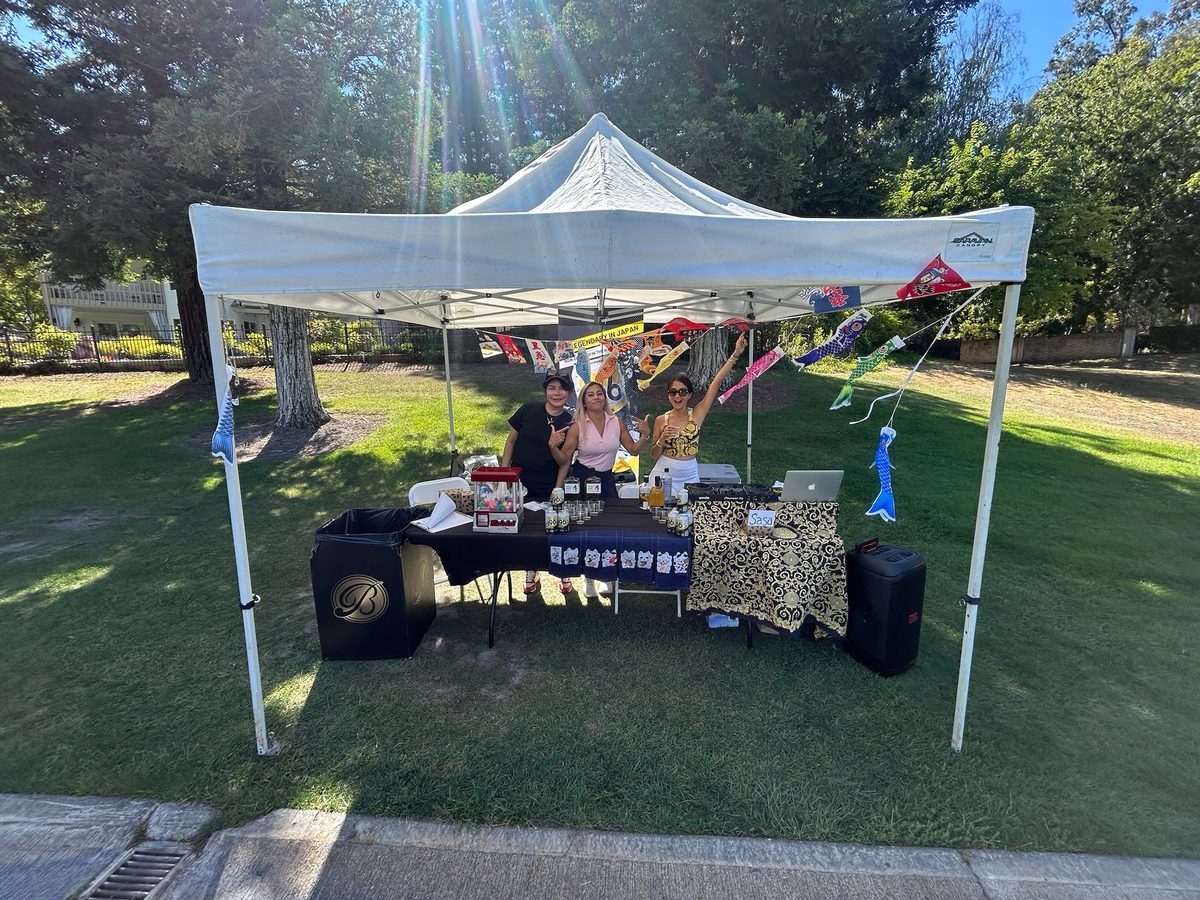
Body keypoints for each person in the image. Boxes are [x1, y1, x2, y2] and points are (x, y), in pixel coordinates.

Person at [501, 372, 576, 595]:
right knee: (526, 530)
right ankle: (530, 570)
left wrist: (558, 487)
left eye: (562, 389)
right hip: (520, 481)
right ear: (545, 391)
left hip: (549, 483)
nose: (557, 393)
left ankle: (562, 573)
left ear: (569, 393)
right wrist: (505, 473)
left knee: (554, 529)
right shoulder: (528, 410)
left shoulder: (570, 422)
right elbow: (511, 440)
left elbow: (566, 461)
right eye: (552, 388)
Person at [648, 332, 747, 491]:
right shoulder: (661, 420)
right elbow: (653, 455)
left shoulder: (696, 414)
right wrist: (662, 439)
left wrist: (735, 355)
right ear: (668, 395)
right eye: (673, 392)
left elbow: (715, 383)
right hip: (663, 474)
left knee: (689, 513)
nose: (677, 396)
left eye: (682, 392)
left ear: (689, 395)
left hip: (689, 476)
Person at [563, 381, 651, 499]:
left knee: (610, 515)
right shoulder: (577, 427)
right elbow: (564, 458)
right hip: (583, 478)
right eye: (591, 395)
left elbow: (633, 450)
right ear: (584, 402)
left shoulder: (617, 423)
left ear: (605, 398)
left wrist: (645, 435)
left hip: (606, 479)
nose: (596, 397)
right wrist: (553, 447)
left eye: (599, 394)